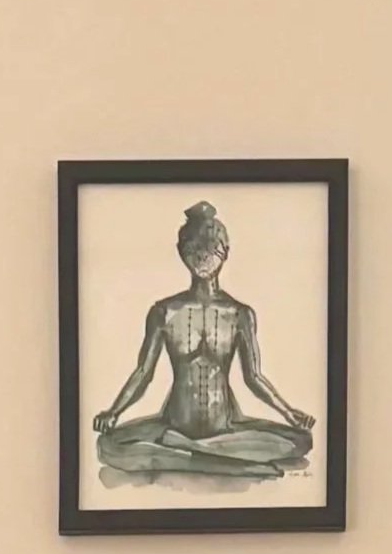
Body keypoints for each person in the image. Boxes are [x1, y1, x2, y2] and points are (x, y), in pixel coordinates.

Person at [93, 202, 314, 481]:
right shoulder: (165, 312)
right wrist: (114, 411)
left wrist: (289, 412)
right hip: (175, 424)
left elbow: (254, 377)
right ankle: (207, 455)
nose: (202, 256)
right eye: (194, 248)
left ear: (225, 252)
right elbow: (143, 373)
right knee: (107, 445)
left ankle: (188, 454)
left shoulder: (240, 314)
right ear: (181, 252)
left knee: (301, 440)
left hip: (225, 429)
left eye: (211, 248)